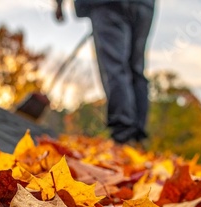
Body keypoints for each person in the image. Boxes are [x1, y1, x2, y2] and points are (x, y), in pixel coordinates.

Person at [54, 0, 156, 144]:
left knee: (115, 66)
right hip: (143, 6)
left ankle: (124, 134)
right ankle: (136, 134)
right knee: (136, 68)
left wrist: (59, 4)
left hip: (107, 4)